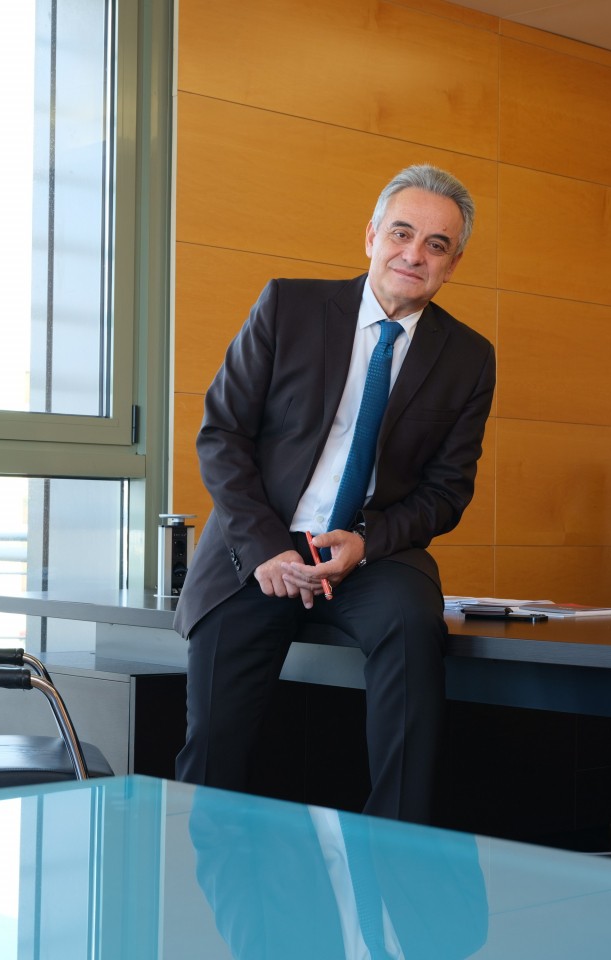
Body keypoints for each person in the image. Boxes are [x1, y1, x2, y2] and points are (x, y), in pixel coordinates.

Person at [173, 163, 496, 824]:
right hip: (257, 544)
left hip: (371, 552)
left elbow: (446, 491)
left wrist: (367, 544)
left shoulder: (469, 357)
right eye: (401, 233)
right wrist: (265, 548)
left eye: (436, 244)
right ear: (371, 236)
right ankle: (205, 871)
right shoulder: (287, 307)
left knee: (412, 625)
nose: (414, 254)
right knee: (213, 751)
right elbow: (222, 434)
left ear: (453, 263)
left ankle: (394, 855)